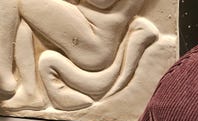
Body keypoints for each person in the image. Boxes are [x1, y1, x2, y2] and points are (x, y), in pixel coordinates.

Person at [0, 0, 145, 106]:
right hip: (87, 33)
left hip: (93, 43)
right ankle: (29, 90)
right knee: (22, 18)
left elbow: (102, 2)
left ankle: (3, 74)